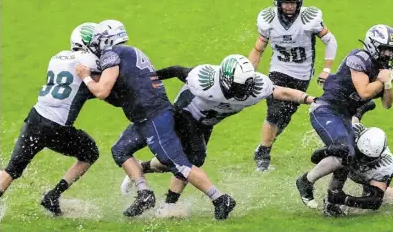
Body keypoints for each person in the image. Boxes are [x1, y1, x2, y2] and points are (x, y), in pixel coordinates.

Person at [75, 21, 236, 220]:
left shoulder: (112, 54)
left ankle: (220, 198)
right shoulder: (127, 52)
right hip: (144, 116)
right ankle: (145, 195)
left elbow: (102, 91)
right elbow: (120, 95)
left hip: (153, 116)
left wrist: (85, 77)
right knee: (120, 150)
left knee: (178, 164)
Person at [119, 54, 316, 215]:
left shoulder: (256, 86)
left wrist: (309, 99)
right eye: (238, 87)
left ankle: (146, 171)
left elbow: (281, 92)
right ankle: (170, 203)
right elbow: (177, 70)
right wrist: (147, 80)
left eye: (245, 86)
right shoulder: (204, 79)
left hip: (205, 124)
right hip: (184, 114)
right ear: (225, 79)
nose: (243, 91)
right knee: (192, 159)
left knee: (189, 161)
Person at [0, 23, 101, 216]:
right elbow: (102, 87)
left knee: (11, 171)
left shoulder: (58, 56)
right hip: (55, 126)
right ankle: (53, 195)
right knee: (90, 152)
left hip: (35, 118)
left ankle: (50, 197)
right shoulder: (88, 61)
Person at [295, 24, 393, 208]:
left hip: (343, 115)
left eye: (391, 51)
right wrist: (382, 80)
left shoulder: (385, 72)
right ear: (373, 45)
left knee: (348, 157)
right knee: (345, 151)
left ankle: (333, 199)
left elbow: (388, 104)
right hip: (326, 109)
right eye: (385, 50)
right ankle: (306, 181)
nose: (388, 55)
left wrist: (388, 84)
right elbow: (365, 92)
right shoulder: (358, 59)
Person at [251, 0, 338, 172]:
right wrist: (250, 71)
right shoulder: (268, 19)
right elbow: (259, 48)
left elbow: (330, 41)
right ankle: (264, 154)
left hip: (301, 74)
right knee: (273, 112)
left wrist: (326, 69)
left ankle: (265, 145)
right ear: (278, 2)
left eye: (293, 2)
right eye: (285, 2)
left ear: (299, 2)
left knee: (284, 118)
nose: (289, 6)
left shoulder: (310, 18)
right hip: (278, 70)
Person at [321, 122, 393, 216]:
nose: (362, 161)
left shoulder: (385, 167)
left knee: (382, 198)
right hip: (350, 162)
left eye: (367, 158)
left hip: (369, 177)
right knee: (342, 161)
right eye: (361, 155)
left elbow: (375, 202)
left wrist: (345, 199)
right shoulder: (351, 132)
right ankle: (332, 198)